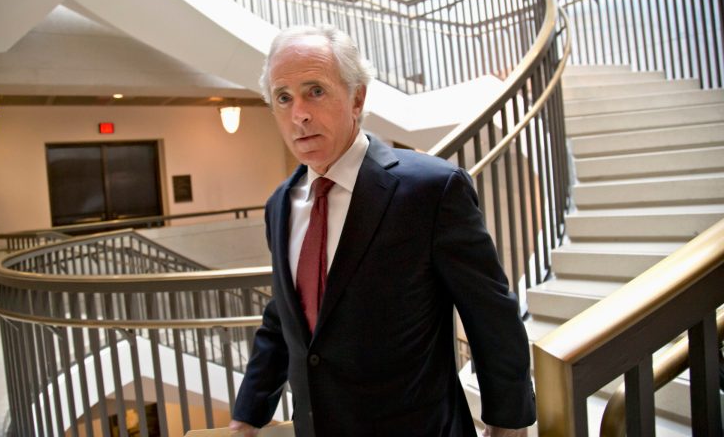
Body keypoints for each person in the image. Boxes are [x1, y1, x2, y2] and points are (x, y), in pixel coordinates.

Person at [229, 24, 535, 436]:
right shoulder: (280, 204)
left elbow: (490, 316)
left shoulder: (432, 189)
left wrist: (508, 425)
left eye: (315, 91)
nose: (298, 113)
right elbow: (285, 318)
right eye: (283, 98)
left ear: (357, 97)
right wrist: (246, 417)